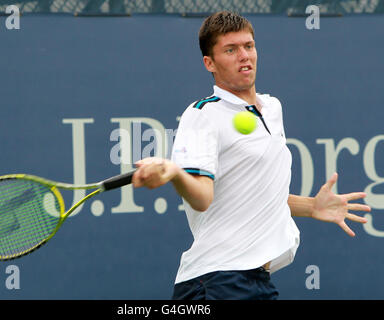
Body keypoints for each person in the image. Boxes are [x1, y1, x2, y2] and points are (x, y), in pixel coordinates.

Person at [131, 11, 371, 300]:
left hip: (257, 280)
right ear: (209, 63)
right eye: (230, 50)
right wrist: (175, 172)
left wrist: (311, 207)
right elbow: (203, 197)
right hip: (217, 281)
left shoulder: (272, 108)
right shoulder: (201, 115)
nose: (244, 56)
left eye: (249, 46)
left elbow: (248, 194)